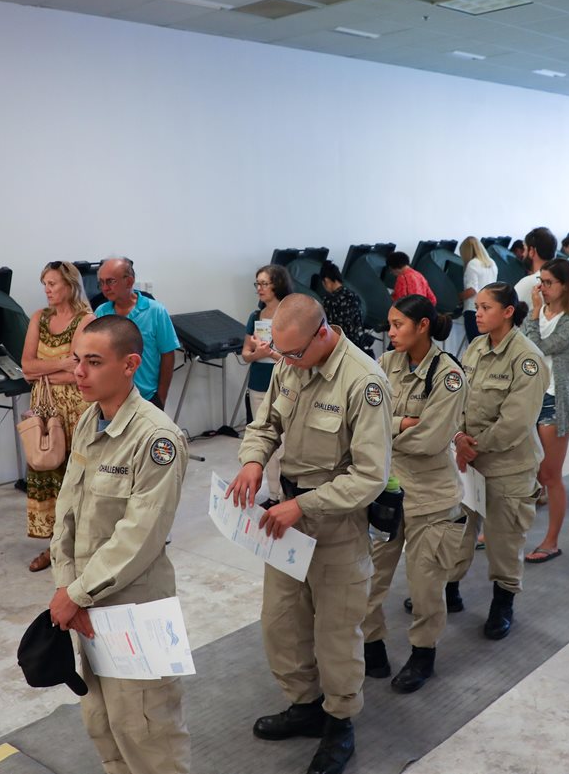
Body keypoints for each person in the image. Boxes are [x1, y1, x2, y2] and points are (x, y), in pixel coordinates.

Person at [226, 294, 392, 774]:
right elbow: (266, 424)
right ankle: (305, 706)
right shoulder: (290, 361)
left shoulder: (364, 382)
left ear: (323, 333)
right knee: (281, 622)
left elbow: (370, 476)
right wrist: (253, 460)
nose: (287, 361)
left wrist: (305, 505)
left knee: (336, 632)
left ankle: (340, 722)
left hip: (336, 524)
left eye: (294, 353)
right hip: (286, 519)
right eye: (281, 352)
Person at [48, 315, 191, 774]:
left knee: (147, 731)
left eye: (93, 362)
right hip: (88, 604)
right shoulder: (90, 420)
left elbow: (140, 535)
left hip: (134, 606)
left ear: (129, 365)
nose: (79, 372)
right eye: (77, 360)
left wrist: (76, 593)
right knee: (102, 722)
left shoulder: (157, 439)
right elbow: (67, 509)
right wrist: (66, 584)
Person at [362, 295, 467, 694]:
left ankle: (423, 654)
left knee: (426, 587)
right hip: (385, 491)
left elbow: (431, 439)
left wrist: (387, 430)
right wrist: (403, 422)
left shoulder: (448, 375)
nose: (390, 332)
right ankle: (372, 645)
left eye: (398, 325)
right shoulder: (385, 364)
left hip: (431, 498)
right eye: (389, 324)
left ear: (423, 325)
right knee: (368, 577)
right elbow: (364, 421)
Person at [453, 283, 547, 640]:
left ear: (508, 312)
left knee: (504, 540)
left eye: (486, 307)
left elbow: (516, 422)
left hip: (509, 466)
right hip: (470, 462)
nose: (477, 313)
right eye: (477, 307)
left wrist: (474, 446)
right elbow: (459, 399)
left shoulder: (526, 359)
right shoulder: (476, 347)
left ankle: (503, 603)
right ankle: (449, 589)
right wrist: (459, 438)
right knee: (457, 531)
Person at [21, 261, 94, 572]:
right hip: (44, 407)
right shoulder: (39, 318)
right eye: (45, 284)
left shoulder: (85, 320)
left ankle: (82, 546)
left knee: (76, 477)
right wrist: (60, 364)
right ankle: (55, 547)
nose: (47, 290)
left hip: (75, 410)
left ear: (70, 285)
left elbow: (78, 371)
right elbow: (26, 367)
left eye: (52, 284)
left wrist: (46, 371)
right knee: (46, 471)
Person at [521, 259, 569, 564]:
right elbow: (525, 343)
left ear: (565, 285)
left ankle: (551, 541)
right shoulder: (538, 313)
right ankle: (504, 531)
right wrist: (535, 314)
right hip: (530, 399)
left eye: (548, 283)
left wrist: (534, 313)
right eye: (541, 281)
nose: (542, 288)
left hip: (556, 400)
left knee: (550, 475)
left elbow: (538, 348)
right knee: (524, 471)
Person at [94, 257, 180, 409]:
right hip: (112, 397)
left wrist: (161, 397)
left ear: (129, 281)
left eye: (110, 281)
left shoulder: (155, 311)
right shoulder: (101, 312)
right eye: (101, 283)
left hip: (147, 397)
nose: (105, 288)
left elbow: (168, 355)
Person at [240, 264, 292, 506]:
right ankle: (273, 495)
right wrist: (257, 353)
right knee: (263, 439)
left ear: (277, 284)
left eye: (264, 284)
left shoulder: (290, 315)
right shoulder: (255, 316)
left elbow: (296, 359)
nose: (259, 289)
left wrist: (270, 353)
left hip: (285, 384)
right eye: (257, 284)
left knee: (286, 444)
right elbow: (245, 354)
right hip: (259, 383)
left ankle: (287, 494)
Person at [459, 236, 498, 341]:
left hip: (474, 310)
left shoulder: (472, 264)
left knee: (475, 345)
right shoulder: (491, 263)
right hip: (489, 309)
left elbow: (472, 290)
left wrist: (457, 297)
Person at [320, 261, 365, 341]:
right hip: (357, 342)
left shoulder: (329, 300)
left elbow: (329, 328)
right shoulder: (353, 295)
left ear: (326, 280)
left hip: (340, 343)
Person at [514, 226, 558, 306]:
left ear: (532, 251)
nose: (523, 254)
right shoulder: (564, 279)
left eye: (525, 249)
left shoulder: (527, 283)